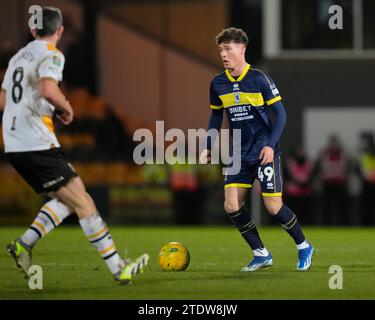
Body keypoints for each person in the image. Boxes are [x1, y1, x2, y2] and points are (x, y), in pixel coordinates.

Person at [0, 7, 148, 285]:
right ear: (60, 30)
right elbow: (47, 89)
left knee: (68, 199)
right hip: (36, 143)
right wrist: (66, 107)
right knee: (85, 203)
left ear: (33, 30)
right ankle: (119, 268)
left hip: (15, 144)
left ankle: (24, 244)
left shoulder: (18, 58)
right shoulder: (52, 54)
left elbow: (4, 102)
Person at [199, 28, 314, 271]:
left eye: (228, 48)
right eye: (220, 49)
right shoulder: (218, 83)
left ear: (242, 49)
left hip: (263, 152)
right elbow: (215, 116)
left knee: (273, 206)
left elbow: (281, 115)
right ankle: (261, 253)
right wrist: (208, 146)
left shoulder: (260, 78)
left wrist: (271, 146)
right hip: (238, 154)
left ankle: (304, 246)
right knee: (231, 205)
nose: (223, 54)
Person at [315, 134, 350, 225]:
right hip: (327, 184)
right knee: (327, 207)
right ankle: (326, 225)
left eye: (335, 142)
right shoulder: (324, 154)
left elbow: (348, 169)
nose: (334, 145)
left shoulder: (343, 154)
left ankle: (344, 225)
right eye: (332, 142)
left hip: (340, 184)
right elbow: (318, 168)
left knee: (342, 207)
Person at [283, 147, 315, 225]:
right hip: (293, 194)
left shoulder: (308, 163)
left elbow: (311, 176)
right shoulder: (290, 163)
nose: (300, 154)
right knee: (293, 213)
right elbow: (288, 177)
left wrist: (304, 182)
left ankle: (307, 225)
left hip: (305, 193)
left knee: (305, 213)